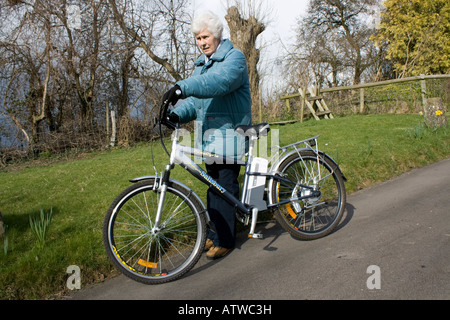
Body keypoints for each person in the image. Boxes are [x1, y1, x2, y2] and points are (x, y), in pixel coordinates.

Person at [163, 11, 252, 260]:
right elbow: (195, 102)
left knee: (223, 187)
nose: (202, 42)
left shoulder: (234, 59)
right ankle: (215, 235)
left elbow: (218, 83)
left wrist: (183, 86)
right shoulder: (201, 65)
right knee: (213, 189)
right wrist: (176, 115)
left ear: (217, 35)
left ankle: (225, 240)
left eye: (205, 36)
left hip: (230, 137)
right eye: (198, 38)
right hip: (210, 140)